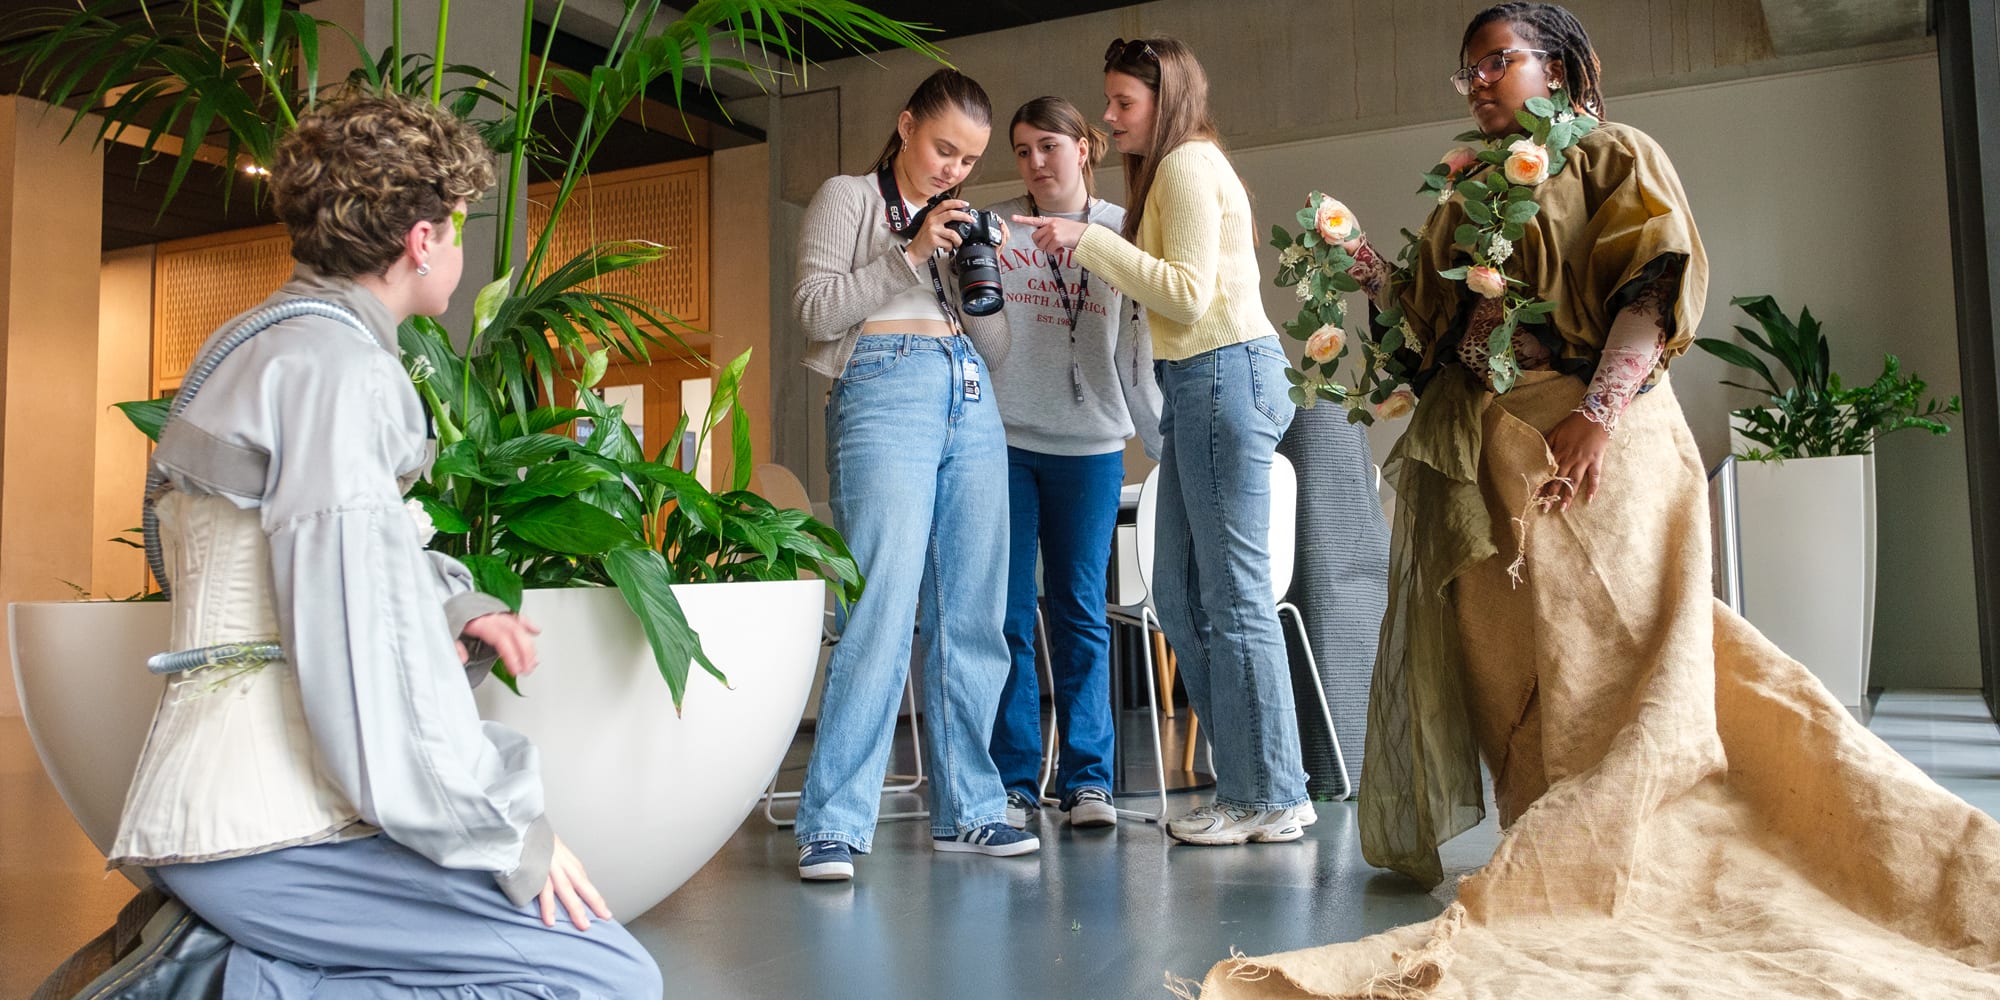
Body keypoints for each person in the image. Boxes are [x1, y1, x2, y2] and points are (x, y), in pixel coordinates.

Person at [1193, 4, 2000, 996]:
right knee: (1511, 679)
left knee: (1616, 660)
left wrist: (1598, 414)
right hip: (1490, 460)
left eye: (1497, 61)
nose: (1478, 82)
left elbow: (1650, 287)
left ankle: (1640, 850)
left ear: (1560, 67)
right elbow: (1435, 330)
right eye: (1466, 71)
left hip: (1597, 448)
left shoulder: (1613, 154)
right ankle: (1556, 854)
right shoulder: (1464, 190)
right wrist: (1365, 267)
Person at [79, 92, 662, 998]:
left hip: (235, 813)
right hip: (265, 829)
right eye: (457, 229)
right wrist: (508, 835)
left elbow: (288, 562)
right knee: (603, 981)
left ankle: (241, 971)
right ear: (423, 240)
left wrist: (452, 604)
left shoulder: (265, 347)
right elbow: (359, 654)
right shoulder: (343, 373)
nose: (459, 253)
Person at [1015, 37, 1319, 846]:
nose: (1110, 117)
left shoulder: (1185, 164)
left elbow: (1185, 297)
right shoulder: (1176, 167)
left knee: (1234, 596)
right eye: (1109, 101)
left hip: (1223, 373)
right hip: (1201, 382)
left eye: (1124, 103)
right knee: (1180, 597)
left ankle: (1271, 794)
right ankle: (1253, 787)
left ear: (1167, 98)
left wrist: (1085, 241)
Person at [790, 68, 1039, 882]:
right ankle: (833, 822)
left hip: (970, 395)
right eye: (942, 149)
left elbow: (997, 353)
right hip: (881, 389)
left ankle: (972, 809)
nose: (952, 170)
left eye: (968, 160)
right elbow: (814, 310)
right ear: (905, 127)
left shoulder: (960, 221)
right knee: (881, 607)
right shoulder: (847, 198)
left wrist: (980, 279)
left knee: (973, 613)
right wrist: (909, 253)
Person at [967, 96, 1161, 831]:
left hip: (1092, 445)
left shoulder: (1121, 229)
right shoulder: (994, 227)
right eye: (1022, 151)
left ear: (1084, 148)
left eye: (1048, 145)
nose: (1035, 162)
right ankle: (1016, 780)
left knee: (1079, 611)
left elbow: (1154, 319)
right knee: (1009, 616)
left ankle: (1089, 782)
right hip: (1006, 442)